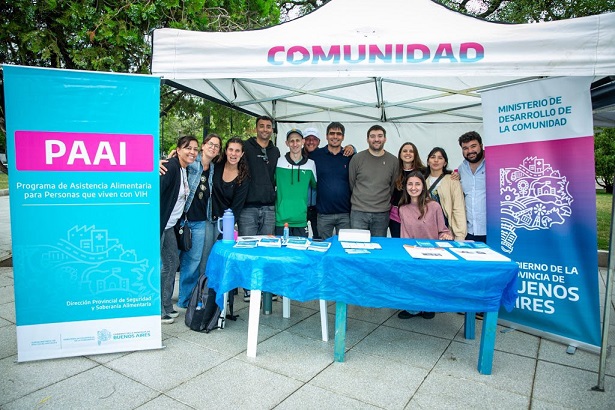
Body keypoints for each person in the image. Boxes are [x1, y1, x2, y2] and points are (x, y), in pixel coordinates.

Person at [397, 170, 452, 320]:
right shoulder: (403, 209)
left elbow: (443, 230)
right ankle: (413, 309)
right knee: (413, 279)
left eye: (417, 184)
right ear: (405, 187)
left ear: (423, 186)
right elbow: (405, 234)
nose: (413, 187)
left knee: (429, 280)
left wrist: (445, 236)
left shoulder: (434, 206)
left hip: (432, 252)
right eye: (410, 184)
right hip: (412, 252)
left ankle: (428, 306)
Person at [176, 134, 222, 309]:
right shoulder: (191, 161)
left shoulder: (213, 168)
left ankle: (185, 300)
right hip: (182, 219)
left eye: (217, 146)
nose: (213, 148)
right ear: (203, 145)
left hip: (201, 220)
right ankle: (163, 300)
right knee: (171, 261)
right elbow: (176, 163)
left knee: (194, 262)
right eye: (210, 144)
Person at [239, 115, 280, 301]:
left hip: (269, 207)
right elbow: (228, 158)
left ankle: (265, 287)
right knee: (248, 248)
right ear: (256, 128)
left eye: (268, 126)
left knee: (266, 249)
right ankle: (248, 288)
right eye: (261, 126)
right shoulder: (245, 147)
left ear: (272, 129)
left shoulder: (275, 151)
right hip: (248, 207)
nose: (265, 129)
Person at [159, 135, 199, 324]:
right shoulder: (171, 167)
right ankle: (157, 308)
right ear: (178, 149)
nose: (192, 152)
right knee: (161, 264)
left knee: (172, 261)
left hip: (169, 226)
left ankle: (166, 304)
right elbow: (156, 191)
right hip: (159, 224)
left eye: (195, 149)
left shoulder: (184, 169)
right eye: (188, 148)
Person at [348, 125, 398, 237]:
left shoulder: (393, 161)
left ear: (385, 139)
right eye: (372, 136)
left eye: (380, 136)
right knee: (357, 245)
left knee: (379, 245)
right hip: (358, 213)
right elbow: (352, 183)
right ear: (367, 139)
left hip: (382, 214)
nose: (376, 139)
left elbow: (392, 187)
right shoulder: (357, 159)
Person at [309, 122, 353, 239]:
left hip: (345, 214)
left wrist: (352, 148)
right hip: (323, 214)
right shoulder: (315, 156)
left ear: (343, 137)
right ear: (326, 136)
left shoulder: (349, 156)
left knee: (344, 246)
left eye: (338, 134)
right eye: (332, 133)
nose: (335, 136)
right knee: (324, 246)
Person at [274, 129, 317, 237]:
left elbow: (316, 186)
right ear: (287, 143)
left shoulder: (311, 164)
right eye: (291, 141)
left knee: (301, 248)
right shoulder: (278, 162)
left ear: (303, 141)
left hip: (301, 220)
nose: (295, 144)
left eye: (297, 140)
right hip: (281, 220)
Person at [424, 147, 467, 241]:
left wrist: (460, 234)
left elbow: (458, 208)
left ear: (445, 163)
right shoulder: (422, 182)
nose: (436, 160)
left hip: (448, 231)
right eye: (433, 157)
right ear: (428, 161)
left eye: (440, 158)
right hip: (428, 230)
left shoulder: (452, 180)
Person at [389, 142, 426, 238]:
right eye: (405, 151)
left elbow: (439, 173)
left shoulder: (424, 172)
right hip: (396, 217)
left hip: (416, 214)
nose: (408, 153)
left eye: (411, 151)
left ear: (415, 154)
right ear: (400, 154)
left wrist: (454, 173)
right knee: (398, 243)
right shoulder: (394, 171)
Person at [457, 131, 486, 243]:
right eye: (465, 148)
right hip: (469, 231)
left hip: (492, 230)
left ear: (481, 146)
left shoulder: (493, 164)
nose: (470, 151)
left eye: (473, 146)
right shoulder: (461, 169)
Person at [212, 137, 250, 220]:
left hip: (226, 220)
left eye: (237, 151)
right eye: (231, 150)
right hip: (207, 217)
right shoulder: (215, 165)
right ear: (226, 151)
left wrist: (227, 224)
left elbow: (237, 207)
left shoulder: (243, 177)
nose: (233, 153)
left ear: (242, 154)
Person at [303, 127, 321, 239]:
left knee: (319, 239)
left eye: (314, 139)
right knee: (300, 239)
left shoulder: (324, 155)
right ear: (303, 141)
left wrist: (352, 147)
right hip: (301, 206)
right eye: (308, 139)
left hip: (318, 207)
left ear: (319, 141)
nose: (311, 142)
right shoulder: (296, 155)